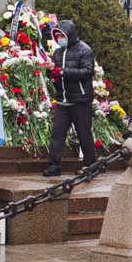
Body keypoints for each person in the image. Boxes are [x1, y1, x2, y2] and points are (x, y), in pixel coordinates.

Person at [42, 20, 96, 178]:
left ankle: (90, 165)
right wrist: (51, 71)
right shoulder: (58, 52)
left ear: (69, 35)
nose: (59, 38)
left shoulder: (84, 50)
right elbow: (57, 74)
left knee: (84, 133)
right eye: (57, 36)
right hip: (62, 100)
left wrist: (62, 72)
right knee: (57, 134)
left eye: (62, 35)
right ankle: (54, 165)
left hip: (80, 100)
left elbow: (87, 72)